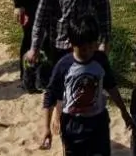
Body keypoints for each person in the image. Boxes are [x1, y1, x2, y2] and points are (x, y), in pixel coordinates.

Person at [41, 15, 131, 155]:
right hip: (72, 125)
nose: (88, 52)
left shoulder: (100, 60)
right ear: (71, 44)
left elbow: (111, 87)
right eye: (83, 49)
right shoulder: (64, 66)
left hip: (98, 123)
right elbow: (50, 95)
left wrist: (124, 111)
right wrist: (47, 128)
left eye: (92, 47)